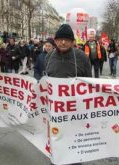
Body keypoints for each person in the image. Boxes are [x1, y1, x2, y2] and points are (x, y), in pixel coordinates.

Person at [45, 24, 90, 165]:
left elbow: (90, 82)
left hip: (75, 109)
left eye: (66, 39)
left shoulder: (81, 57)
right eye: (60, 39)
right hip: (55, 111)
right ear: (55, 41)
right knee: (57, 139)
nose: (63, 42)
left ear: (72, 42)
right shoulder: (49, 56)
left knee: (74, 141)